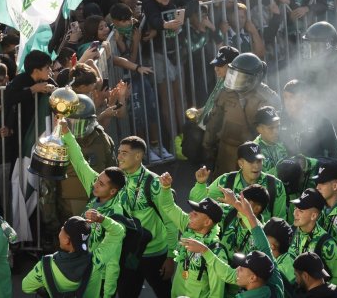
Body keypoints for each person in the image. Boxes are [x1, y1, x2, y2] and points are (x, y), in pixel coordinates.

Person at [60, 119, 127, 298]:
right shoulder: (96, 186)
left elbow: (113, 263)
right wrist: (66, 132)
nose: (95, 185)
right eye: (98, 180)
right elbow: (80, 161)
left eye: (101, 184)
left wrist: (108, 294)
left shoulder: (115, 216)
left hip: (101, 279)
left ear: (113, 191)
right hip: (83, 270)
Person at [114, 135, 178, 298]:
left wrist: (171, 257)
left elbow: (171, 222)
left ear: (138, 156)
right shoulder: (117, 179)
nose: (119, 156)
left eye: (124, 153)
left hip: (155, 254)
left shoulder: (155, 183)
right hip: (130, 253)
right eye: (119, 152)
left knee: (165, 294)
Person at [203, 52, 281, 174]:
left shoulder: (266, 98)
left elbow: (273, 131)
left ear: (254, 79)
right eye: (235, 75)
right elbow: (213, 121)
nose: (236, 80)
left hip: (253, 155)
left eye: (242, 77)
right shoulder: (225, 93)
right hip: (226, 151)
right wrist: (208, 146)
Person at [156, 171, 228, 298]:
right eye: (192, 211)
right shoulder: (188, 226)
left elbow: (217, 293)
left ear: (207, 222)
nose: (190, 215)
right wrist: (166, 188)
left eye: (196, 214)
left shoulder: (215, 253)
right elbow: (168, 206)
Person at [21, 213, 125, 296]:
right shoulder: (97, 260)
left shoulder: (45, 266)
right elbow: (118, 231)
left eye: (62, 228)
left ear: (66, 240)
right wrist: (101, 219)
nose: (60, 230)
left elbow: (26, 287)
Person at [192, 142, 288, 222]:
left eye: (259, 161)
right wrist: (201, 184)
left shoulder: (275, 186)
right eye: (251, 162)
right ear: (240, 163)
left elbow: (279, 222)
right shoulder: (226, 181)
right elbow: (200, 205)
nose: (256, 166)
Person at [286, 188, 337, 290]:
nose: (295, 213)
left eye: (301, 211)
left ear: (313, 215)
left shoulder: (325, 243)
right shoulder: (290, 232)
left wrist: (319, 291)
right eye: (296, 208)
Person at [280, 79, 337, 161]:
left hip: (315, 171)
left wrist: (318, 169)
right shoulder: (279, 121)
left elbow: (335, 155)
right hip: (287, 172)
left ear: (304, 98)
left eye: (292, 97)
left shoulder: (321, 122)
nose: (287, 102)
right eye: (285, 97)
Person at [313, 161, 337, 251]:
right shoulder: (316, 205)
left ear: (335, 186)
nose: (317, 187)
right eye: (317, 183)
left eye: (322, 183)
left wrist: (323, 241)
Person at [253, 106, 290, 173]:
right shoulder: (254, 150)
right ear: (259, 129)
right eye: (271, 128)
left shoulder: (284, 141)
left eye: (277, 126)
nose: (276, 131)